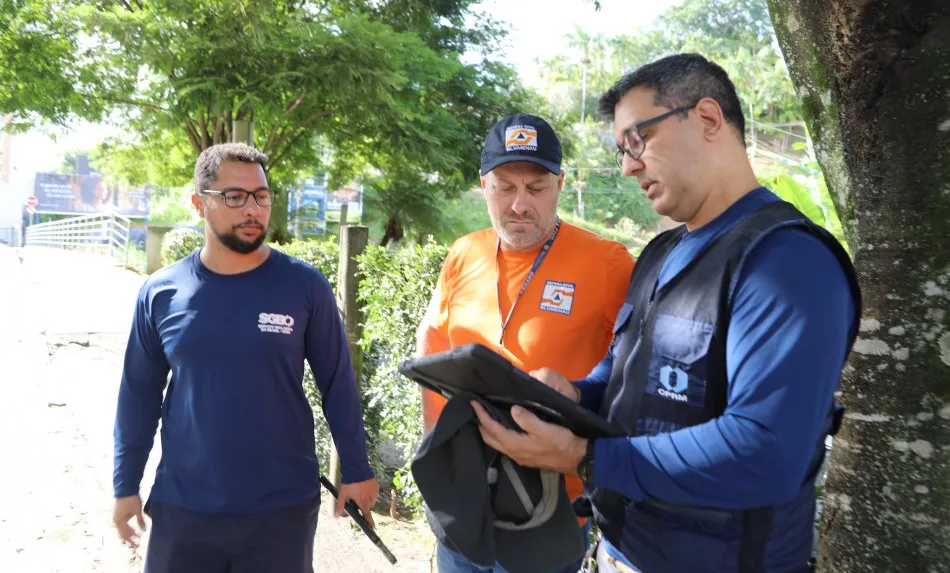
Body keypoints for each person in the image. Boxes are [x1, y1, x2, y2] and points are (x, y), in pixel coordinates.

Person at [470, 54, 861, 573]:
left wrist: (582, 456)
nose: (628, 166)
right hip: (619, 549)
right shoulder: (660, 254)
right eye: (621, 150)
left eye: (639, 139)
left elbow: (766, 452)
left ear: (707, 118)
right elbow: (623, 374)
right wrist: (572, 393)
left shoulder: (787, 262)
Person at [112, 142, 378, 573]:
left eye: (262, 196)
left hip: (281, 510)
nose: (253, 209)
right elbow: (138, 394)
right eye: (235, 196)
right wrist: (125, 483)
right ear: (200, 204)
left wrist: (356, 467)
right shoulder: (161, 292)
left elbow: (337, 383)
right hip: (184, 506)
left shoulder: (305, 287)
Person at [416, 113, 636, 573]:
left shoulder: (609, 263)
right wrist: (435, 446)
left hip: (549, 509)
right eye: (504, 187)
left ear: (560, 185)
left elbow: (633, 372)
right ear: (483, 185)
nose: (519, 205)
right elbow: (433, 340)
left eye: (535, 188)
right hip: (466, 501)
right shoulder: (463, 253)